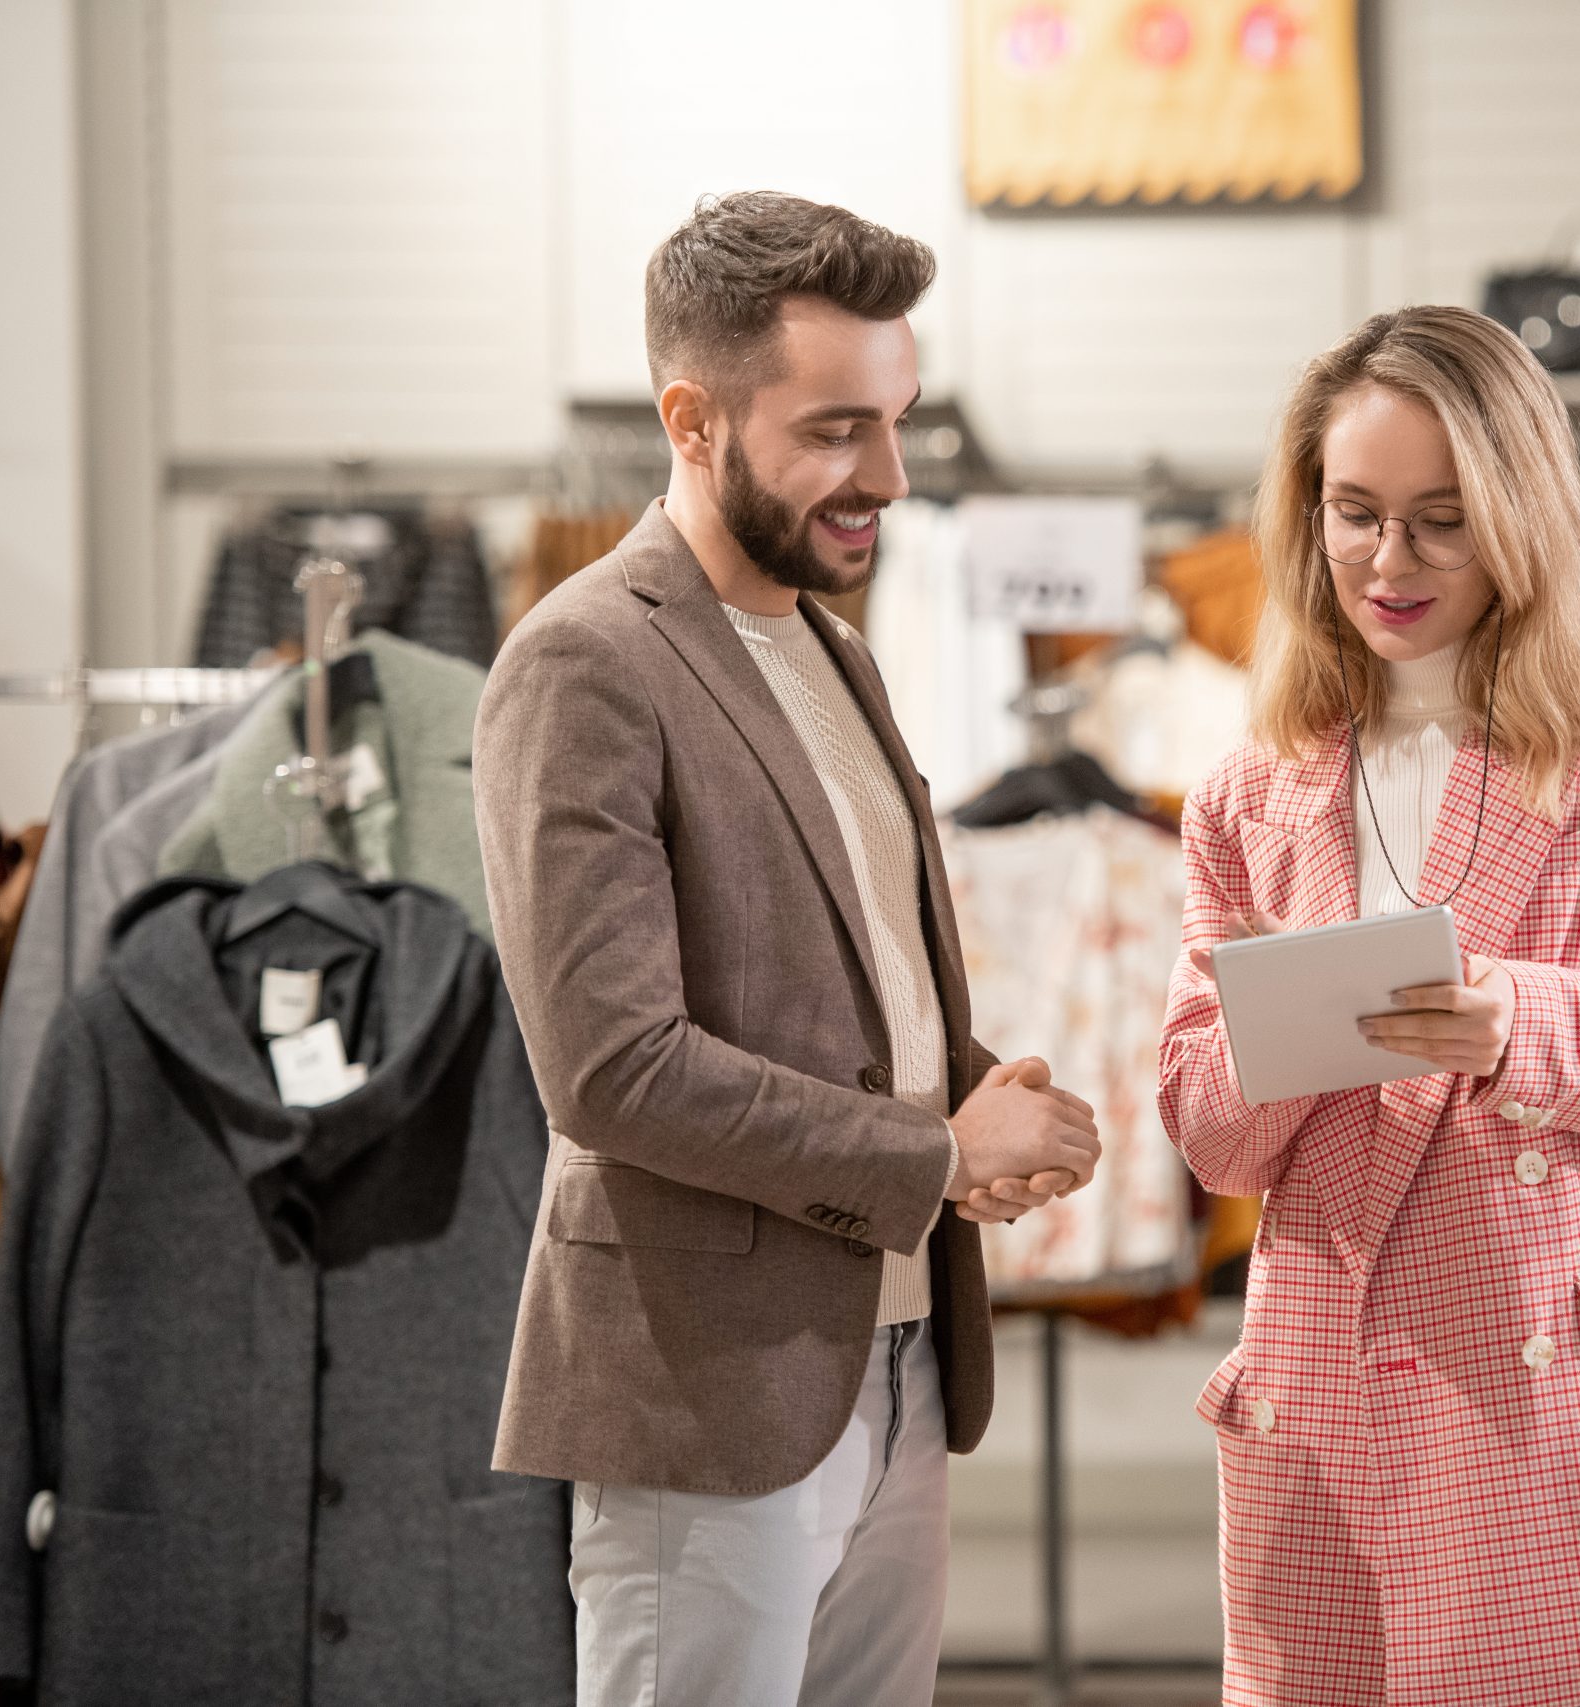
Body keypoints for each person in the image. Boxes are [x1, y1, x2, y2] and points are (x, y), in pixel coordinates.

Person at [473, 191, 1102, 1707]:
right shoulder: (583, 660)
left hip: (894, 1360)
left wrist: (977, 1096)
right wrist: (935, 1157)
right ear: (692, 419)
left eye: (897, 421)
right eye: (835, 430)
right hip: (708, 1383)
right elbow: (613, 1070)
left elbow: (845, 979)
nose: (884, 475)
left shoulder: (838, 652)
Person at [1158, 305, 1580, 1707]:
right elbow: (1210, 1139)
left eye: (1442, 520)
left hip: (1552, 1387)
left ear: (1522, 514)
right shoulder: (1251, 791)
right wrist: (1289, 1026)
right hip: (1325, 1378)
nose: (1390, 563)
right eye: (1356, 514)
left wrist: (1525, 1024)